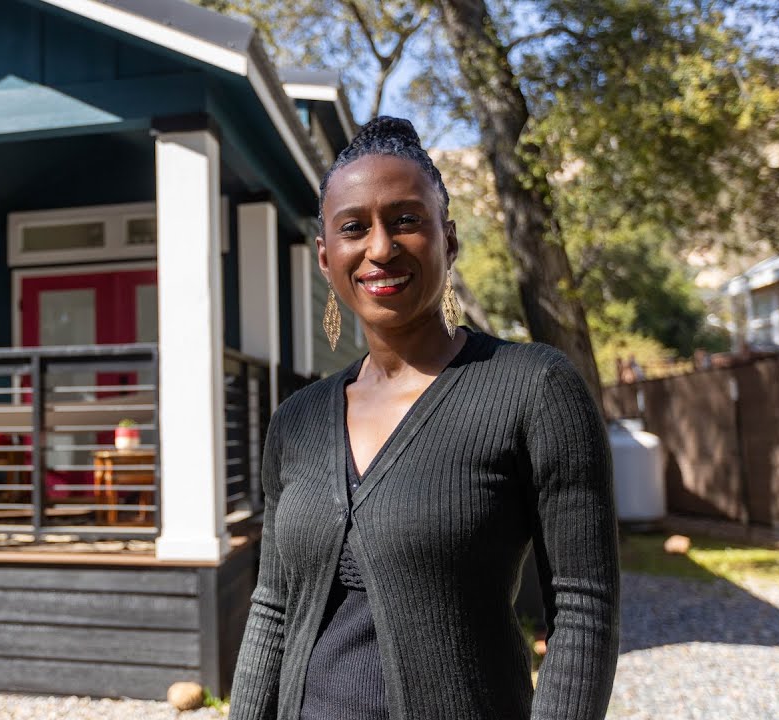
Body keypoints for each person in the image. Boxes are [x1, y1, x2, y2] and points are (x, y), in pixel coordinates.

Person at [228, 117, 619, 720]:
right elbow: (274, 607)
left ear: (449, 239)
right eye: (354, 227)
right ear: (326, 257)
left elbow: (583, 604)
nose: (380, 247)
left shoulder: (532, 388)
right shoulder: (297, 421)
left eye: (406, 220)